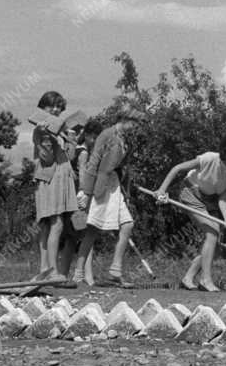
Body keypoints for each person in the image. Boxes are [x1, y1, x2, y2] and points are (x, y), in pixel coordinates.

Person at [154, 131, 226, 292]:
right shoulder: (209, 158)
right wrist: (162, 190)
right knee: (212, 232)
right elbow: (177, 168)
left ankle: (188, 278)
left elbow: (223, 199)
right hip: (190, 192)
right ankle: (205, 280)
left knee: (215, 240)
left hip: (209, 199)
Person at [74, 108, 143, 287]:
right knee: (92, 230)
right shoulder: (106, 135)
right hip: (99, 183)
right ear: (125, 119)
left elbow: (125, 168)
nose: (136, 127)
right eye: (135, 123)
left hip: (114, 184)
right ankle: (78, 273)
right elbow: (93, 162)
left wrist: (126, 191)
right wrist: (86, 192)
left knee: (127, 224)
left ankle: (115, 271)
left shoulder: (126, 141)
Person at [32, 91, 78, 286]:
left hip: (59, 179)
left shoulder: (57, 132)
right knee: (56, 223)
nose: (56, 109)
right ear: (42, 108)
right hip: (51, 180)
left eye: (59, 106)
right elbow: (47, 159)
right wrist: (45, 136)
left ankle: (45, 269)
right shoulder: (43, 132)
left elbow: (70, 157)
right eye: (52, 106)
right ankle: (53, 272)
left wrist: (71, 140)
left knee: (48, 226)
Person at [59, 119, 101, 285]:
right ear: (89, 136)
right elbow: (83, 176)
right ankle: (85, 277)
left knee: (71, 238)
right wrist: (85, 194)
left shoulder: (76, 150)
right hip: (79, 199)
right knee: (87, 236)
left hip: (70, 199)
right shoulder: (83, 153)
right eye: (95, 138)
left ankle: (62, 275)